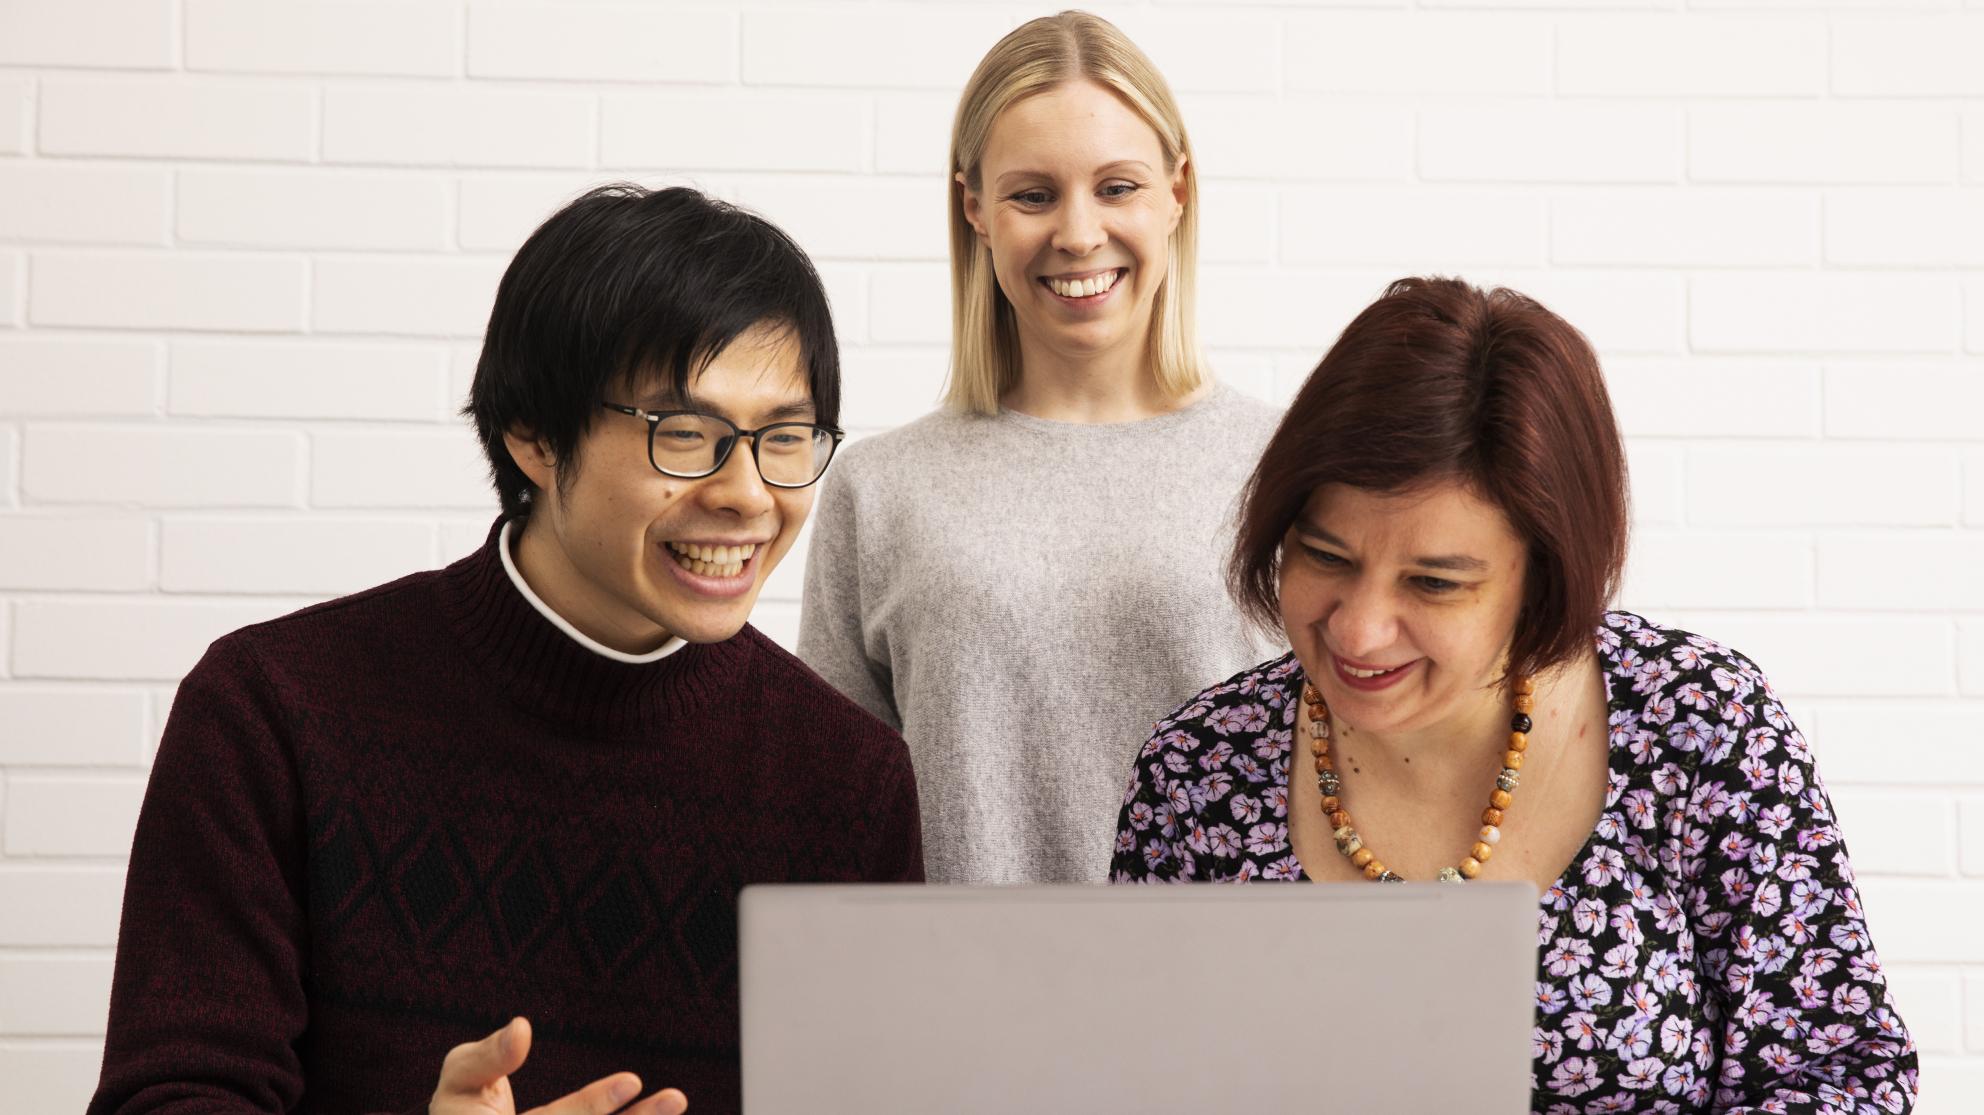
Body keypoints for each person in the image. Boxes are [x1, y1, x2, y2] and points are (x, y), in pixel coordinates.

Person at [89, 185, 924, 1115]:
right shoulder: (273, 711)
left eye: (784, 436)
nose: (747, 492)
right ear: (531, 432)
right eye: (686, 434)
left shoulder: (849, 783)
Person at [1110, 277, 1918, 1113]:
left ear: (1541, 582)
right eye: (1326, 557)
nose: (1357, 631)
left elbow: (1840, 1071)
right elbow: (1129, 1081)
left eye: (1432, 582)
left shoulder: (1704, 727)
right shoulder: (1195, 771)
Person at [799, 11, 1282, 884]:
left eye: (1117, 187)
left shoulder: (1289, 466)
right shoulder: (880, 491)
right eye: (1033, 194)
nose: (1078, 232)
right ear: (974, 208)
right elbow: (829, 825)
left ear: (1178, 192)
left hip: (1232, 1001)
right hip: (956, 1006)